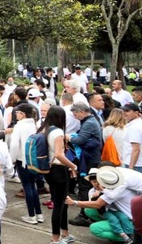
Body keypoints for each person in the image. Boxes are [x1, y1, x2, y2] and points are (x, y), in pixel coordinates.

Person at [40, 106, 79, 244]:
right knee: (59, 205)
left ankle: (65, 233)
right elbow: (58, 154)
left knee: (61, 202)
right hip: (59, 170)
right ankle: (56, 238)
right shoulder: (57, 133)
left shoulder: (44, 129)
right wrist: (73, 166)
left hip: (48, 170)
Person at [69, 102, 105, 227]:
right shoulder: (92, 121)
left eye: (76, 113)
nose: (75, 116)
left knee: (85, 185)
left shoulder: (89, 123)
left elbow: (80, 140)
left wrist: (69, 138)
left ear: (82, 112)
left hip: (89, 159)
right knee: (88, 186)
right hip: (91, 157)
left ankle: (84, 215)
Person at [9, 103, 44, 224]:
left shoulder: (20, 125)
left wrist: (11, 159)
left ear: (22, 114)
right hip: (33, 160)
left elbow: (14, 145)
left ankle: (31, 215)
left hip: (22, 160)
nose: (16, 115)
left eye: (17, 113)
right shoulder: (34, 124)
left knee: (27, 186)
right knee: (33, 186)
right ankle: (38, 213)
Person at [122, 104, 142, 172]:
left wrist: (131, 168)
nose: (124, 113)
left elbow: (136, 149)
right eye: (123, 111)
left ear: (136, 113)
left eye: (127, 111)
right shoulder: (136, 124)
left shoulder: (135, 127)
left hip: (136, 164)